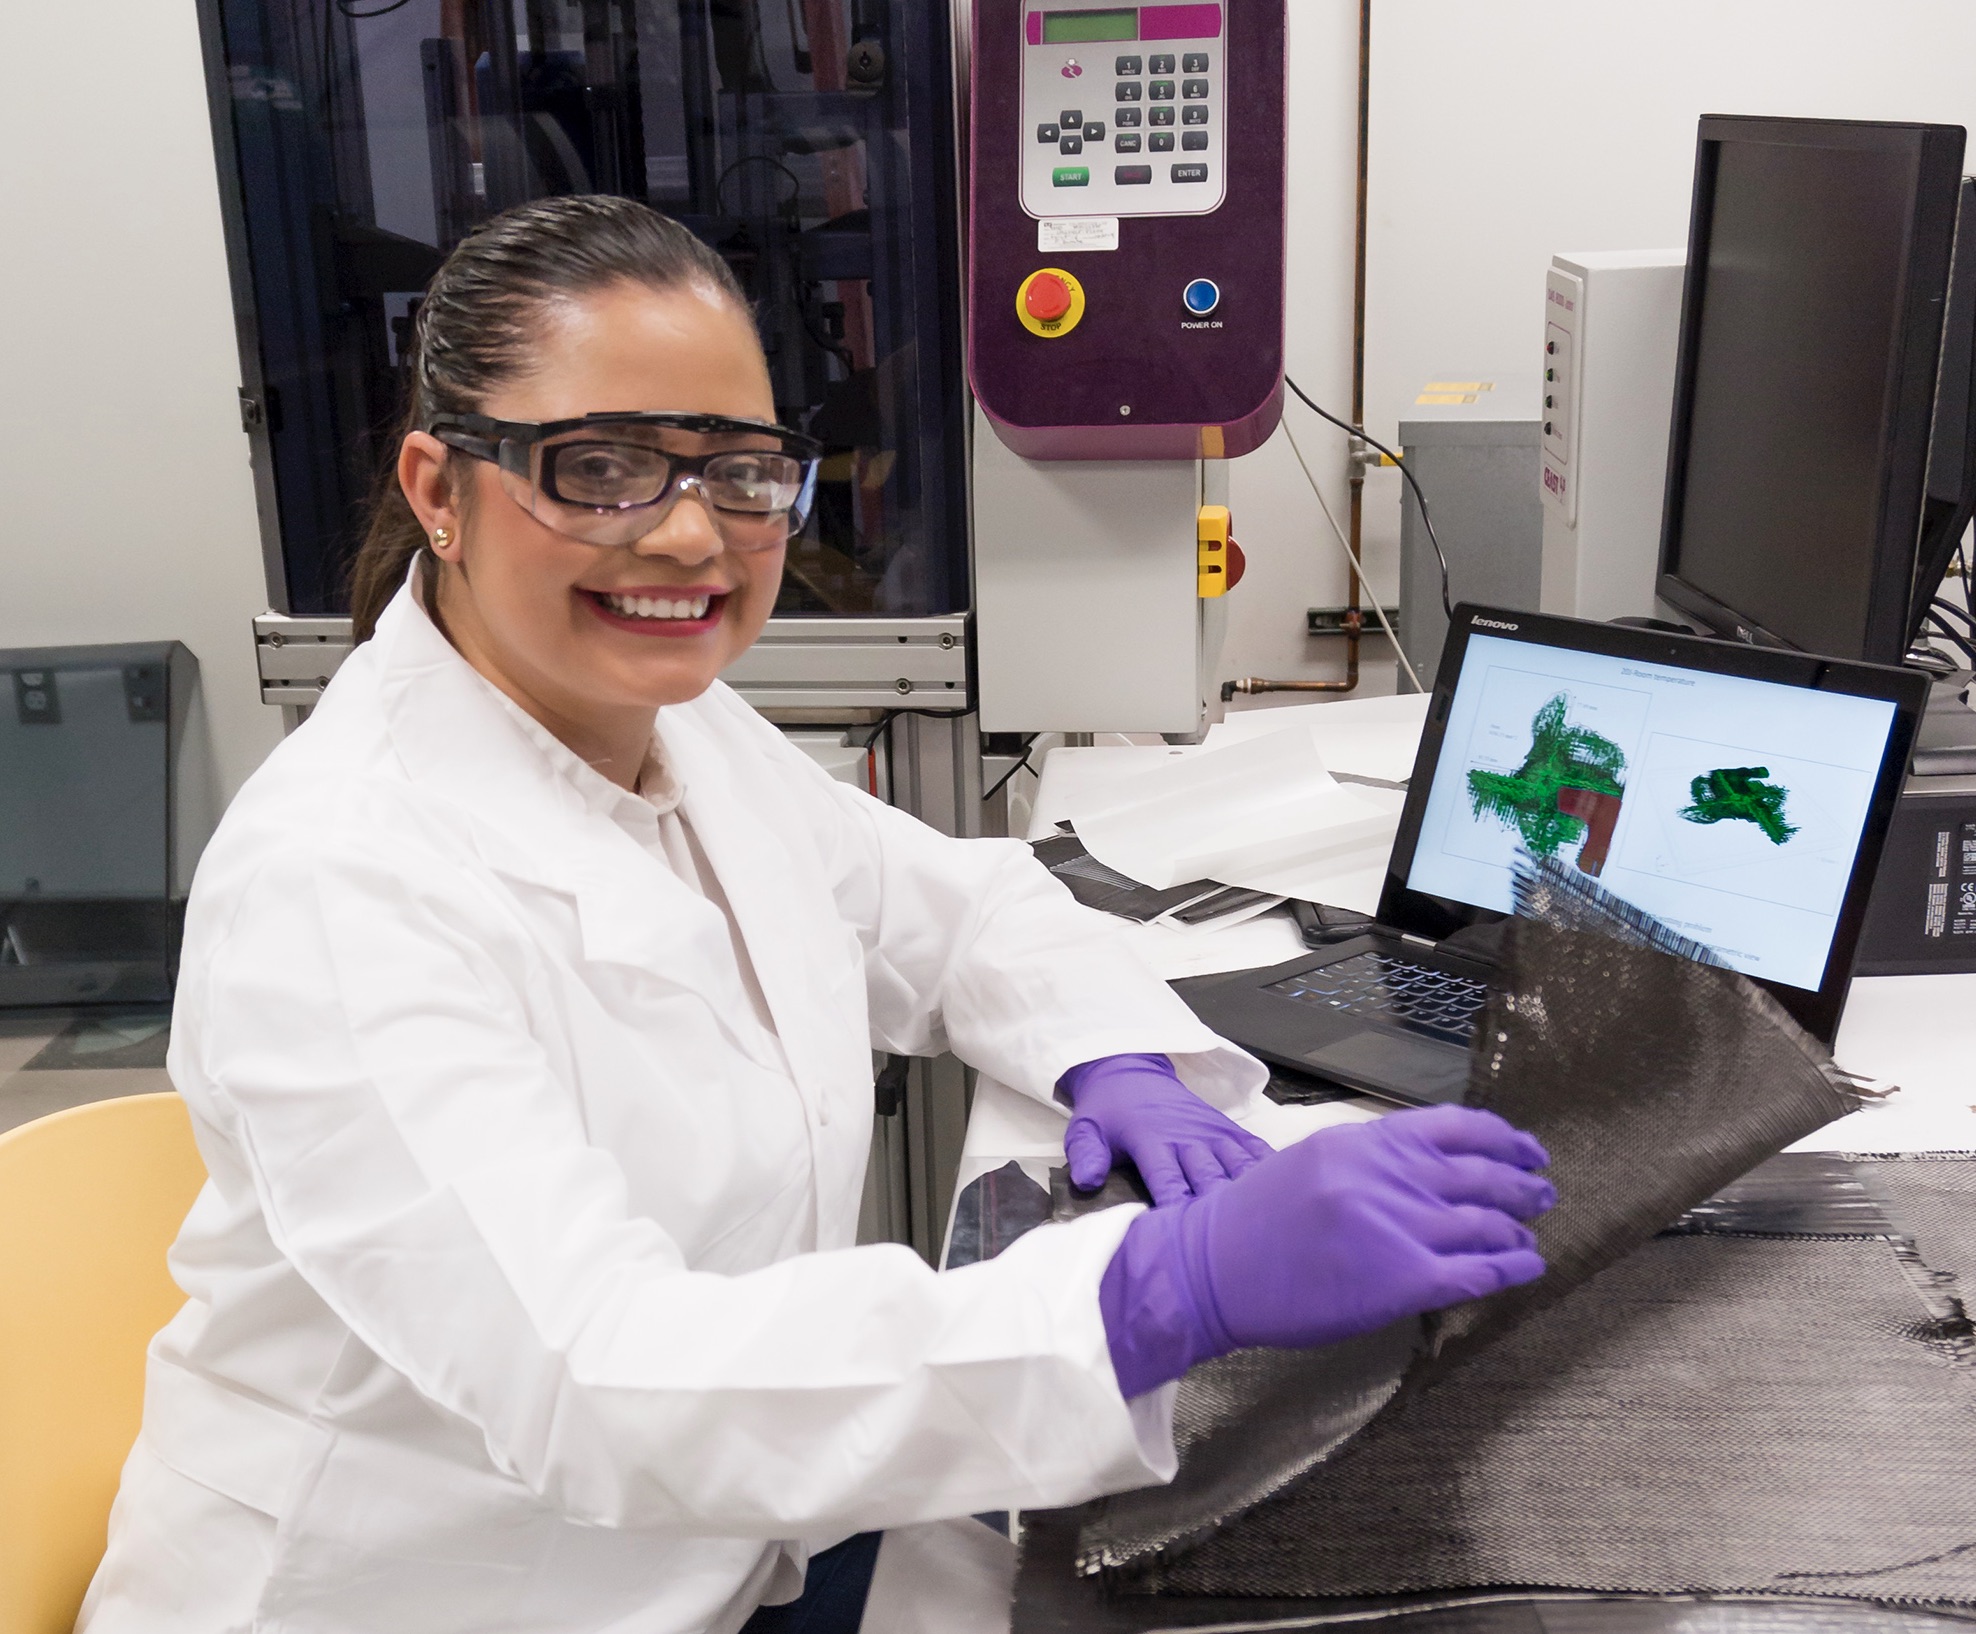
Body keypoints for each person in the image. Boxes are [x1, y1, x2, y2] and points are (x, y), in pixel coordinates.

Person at [80, 197, 1554, 1634]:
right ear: (436, 490)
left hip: (712, 1550)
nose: (686, 537)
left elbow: (951, 909)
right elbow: (598, 1377)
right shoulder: (340, 880)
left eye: (738, 470)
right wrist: (1157, 1292)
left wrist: (1116, 1057)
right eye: (597, 467)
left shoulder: (678, 726)